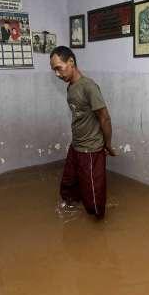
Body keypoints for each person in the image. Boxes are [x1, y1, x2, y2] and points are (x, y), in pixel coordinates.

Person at [50, 46, 116, 219]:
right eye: (54, 70)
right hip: (76, 145)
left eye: (59, 68)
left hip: (91, 148)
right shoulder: (71, 86)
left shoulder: (89, 87)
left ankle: (98, 230)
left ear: (71, 62)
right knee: (68, 185)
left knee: (94, 199)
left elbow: (104, 117)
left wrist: (107, 144)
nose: (57, 74)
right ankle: (71, 210)